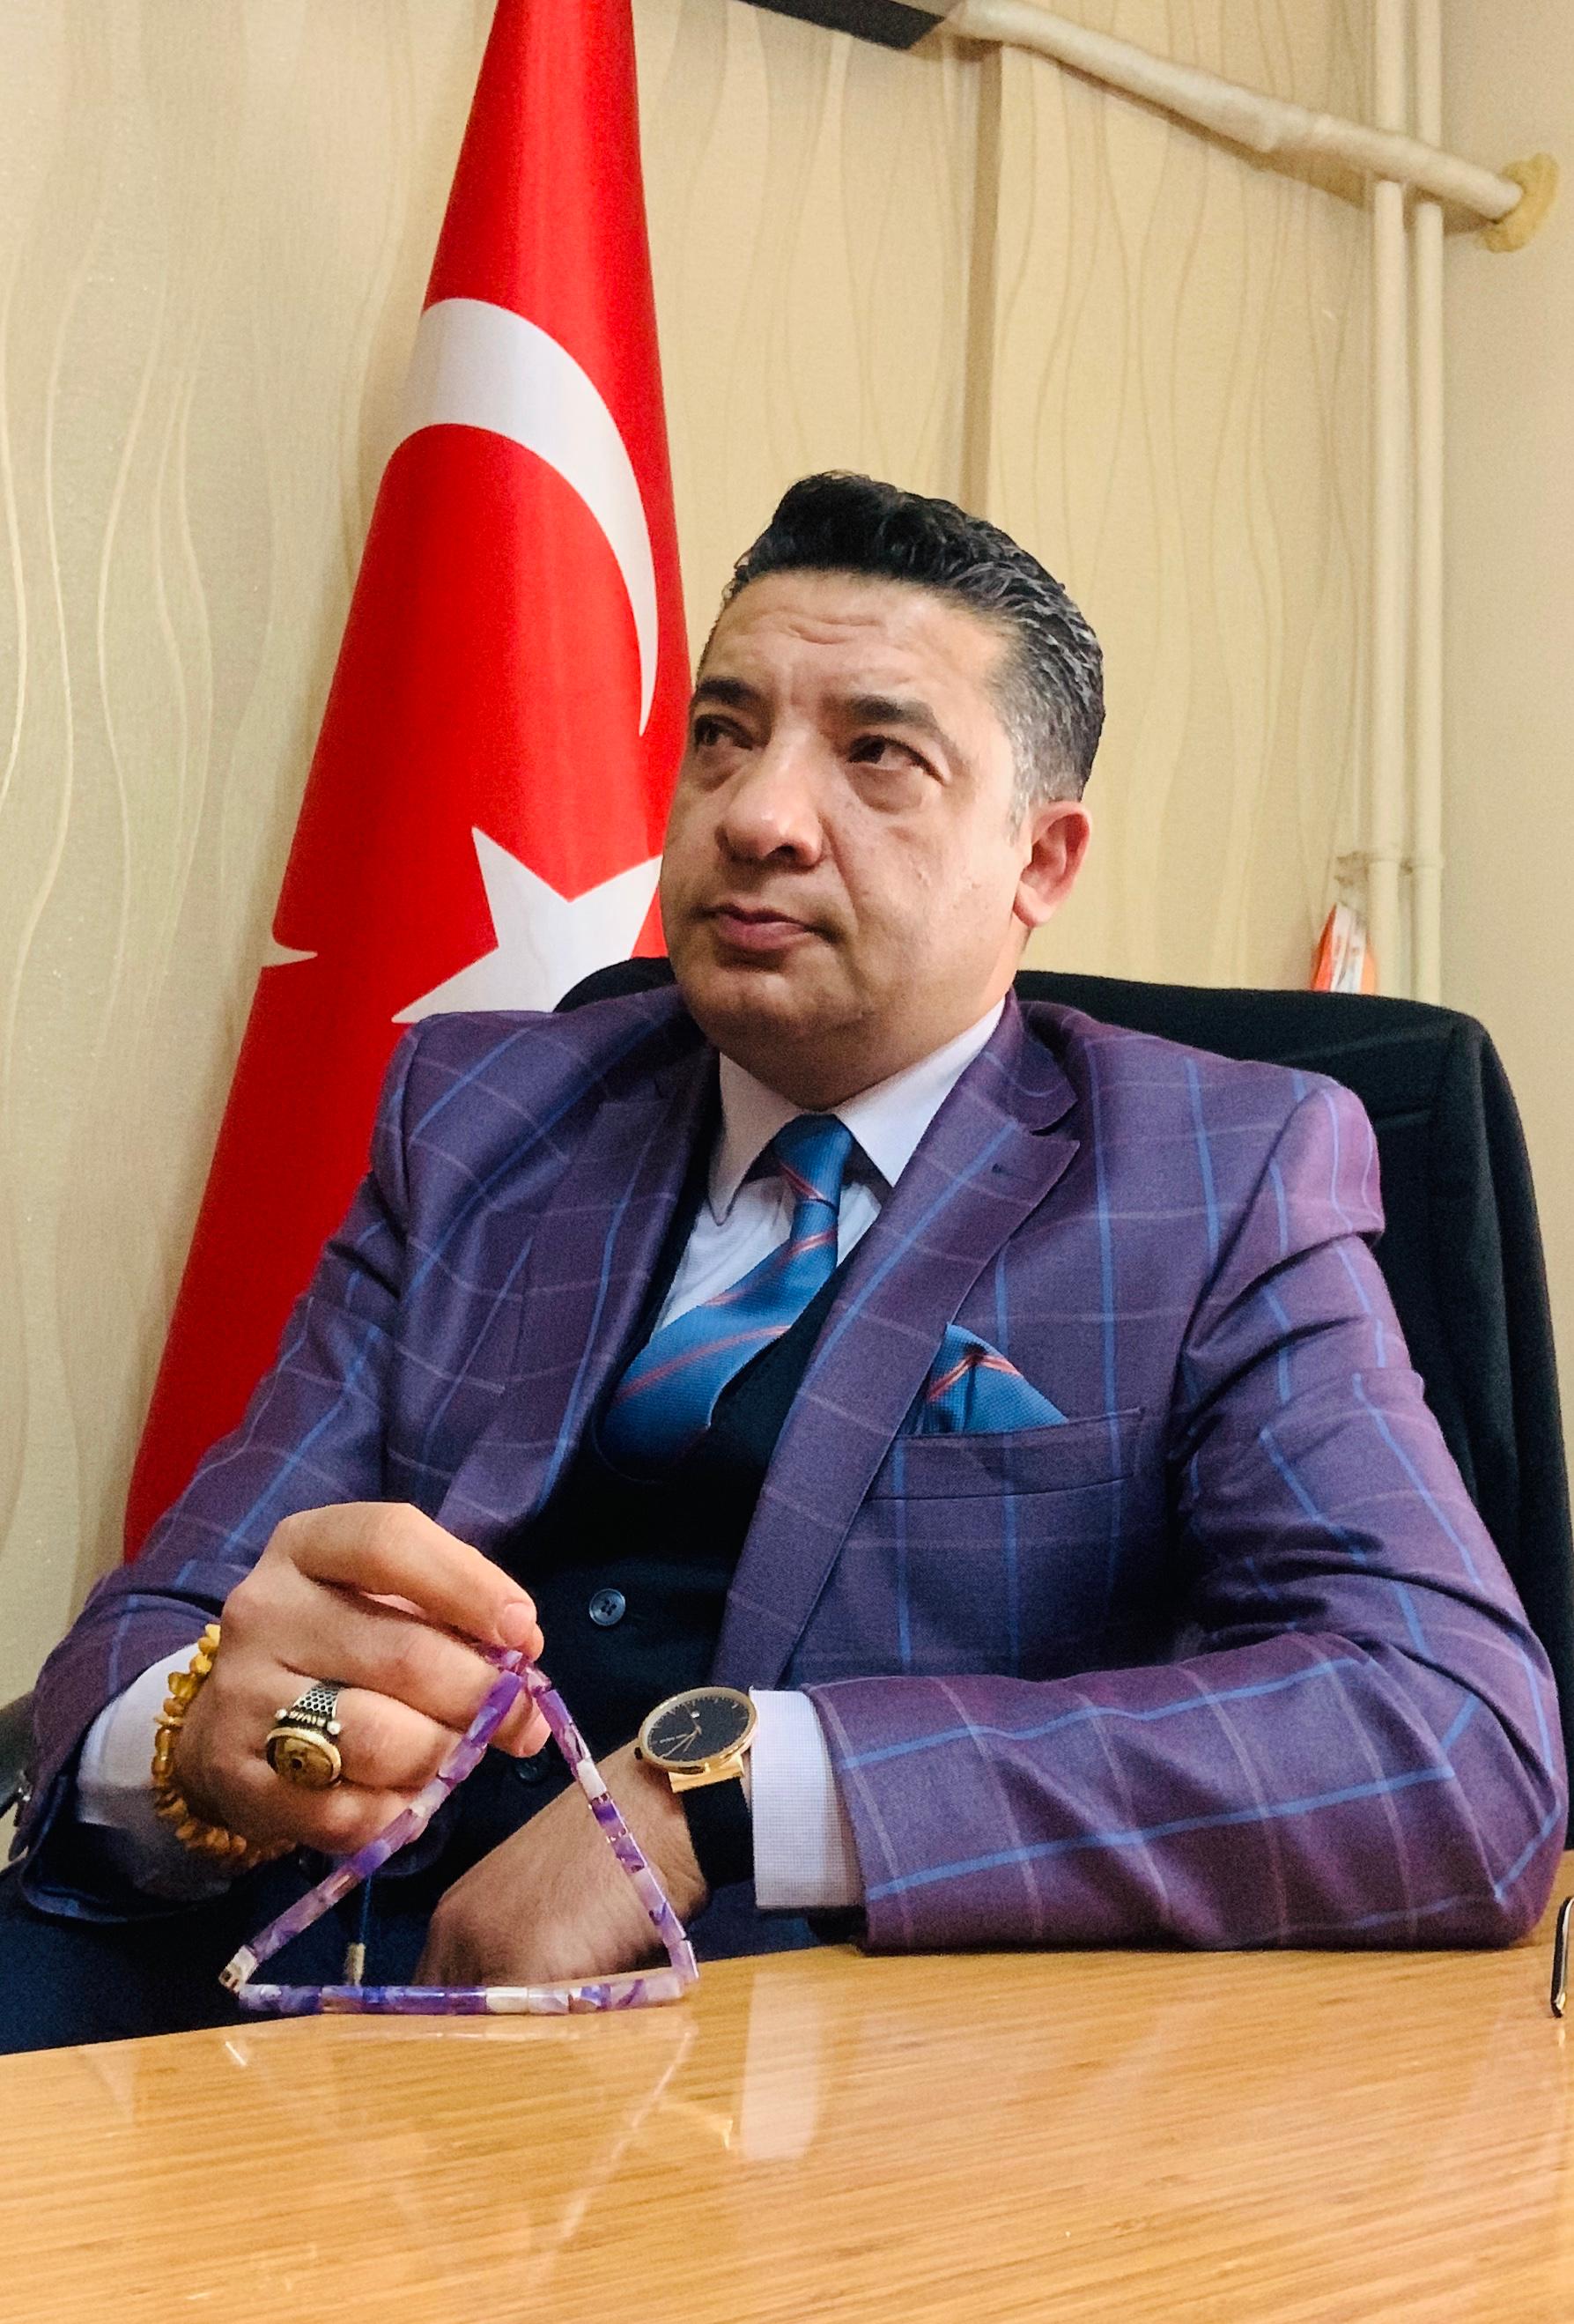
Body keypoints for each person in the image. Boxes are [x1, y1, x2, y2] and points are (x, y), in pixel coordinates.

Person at [2, 473, 1563, 2052]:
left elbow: (1455, 1736)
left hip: (801, 2073)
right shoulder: (479, 1117)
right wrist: (200, 1738)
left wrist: (728, 1791)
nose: (756, 814)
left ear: (1041, 859)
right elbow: (147, 1638)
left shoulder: (1216, 1174)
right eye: (723, 733)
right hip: (310, 2010)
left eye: (877, 753)